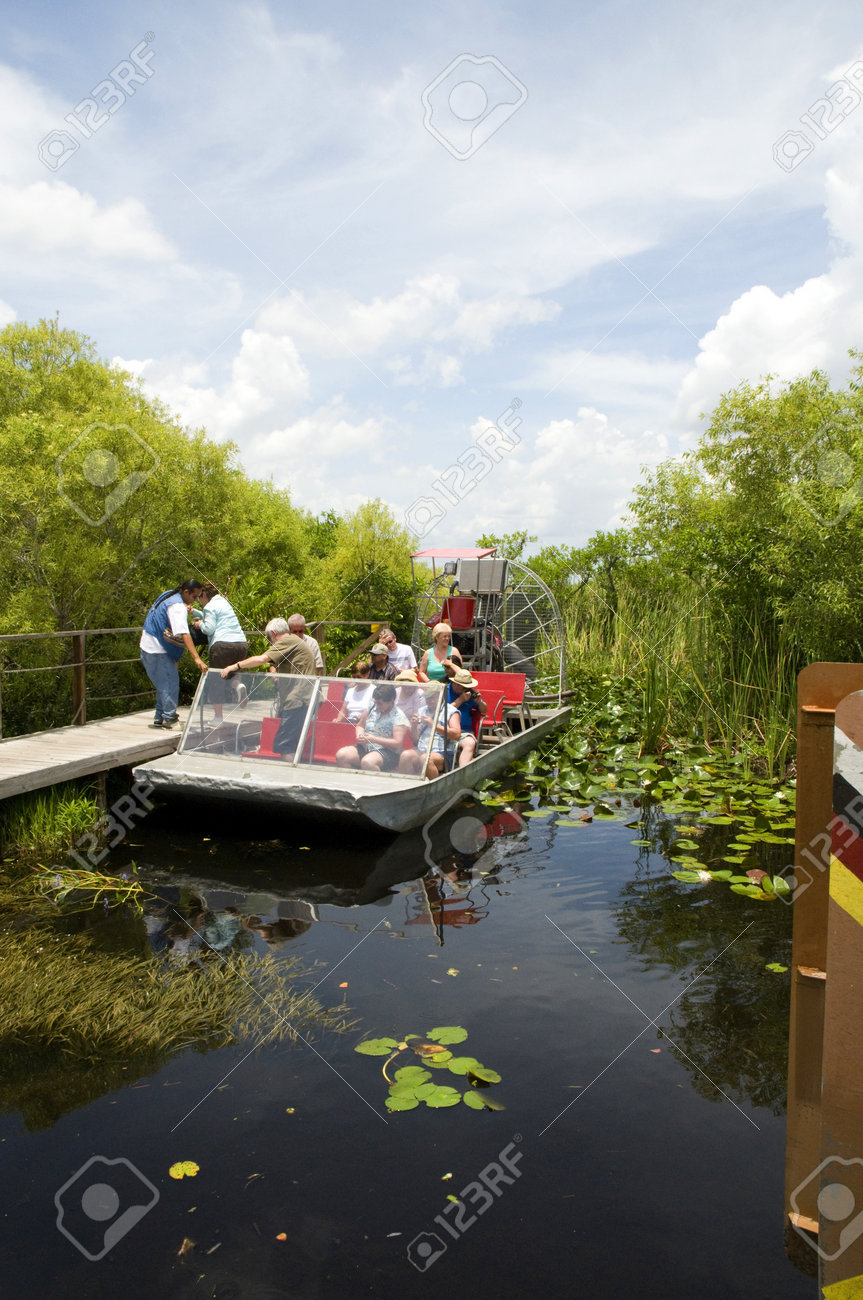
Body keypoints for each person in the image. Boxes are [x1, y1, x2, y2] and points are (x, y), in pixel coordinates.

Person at [221, 618, 316, 756]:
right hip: (303, 699)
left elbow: (261, 659)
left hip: (298, 700)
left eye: (269, 638)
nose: (270, 642)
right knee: (290, 745)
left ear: (273, 633)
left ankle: (289, 776)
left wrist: (235, 666)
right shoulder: (294, 642)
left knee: (283, 746)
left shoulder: (286, 640)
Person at [140, 579, 207, 728]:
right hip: (158, 648)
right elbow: (184, 633)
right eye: (194, 596)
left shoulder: (168, 595)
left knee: (162, 683)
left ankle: (160, 716)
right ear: (186, 592)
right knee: (170, 683)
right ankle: (170, 719)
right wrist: (197, 658)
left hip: (148, 645)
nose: (194, 600)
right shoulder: (177, 607)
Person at [192, 582, 249, 718]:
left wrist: (200, 625)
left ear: (204, 594)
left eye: (199, 597)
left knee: (216, 682)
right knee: (230, 674)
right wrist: (194, 612)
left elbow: (209, 628)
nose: (199, 600)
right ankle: (238, 686)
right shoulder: (223, 602)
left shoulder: (209, 607)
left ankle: (218, 717)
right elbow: (213, 616)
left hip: (222, 645)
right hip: (240, 645)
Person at [335, 682, 408, 771]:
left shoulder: (398, 716)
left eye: (380, 703)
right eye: (376, 702)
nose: (377, 705)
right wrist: (360, 735)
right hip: (367, 747)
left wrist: (374, 739)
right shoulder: (372, 707)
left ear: (391, 700)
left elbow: (397, 743)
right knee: (342, 755)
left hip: (388, 751)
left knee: (368, 762)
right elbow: (360, 726)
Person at [400, 684, 461, 779]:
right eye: (427, 697)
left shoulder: (451, 711)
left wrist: (433, 725)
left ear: (440, 695)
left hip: (442, 752)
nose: (429, 700)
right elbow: (414, 740)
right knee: (405, 756)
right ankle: (407, 787)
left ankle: (435, 791)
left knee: (425, 759)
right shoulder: (421, 711)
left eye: (432, 697)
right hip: (422, 749)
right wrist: (413, 725)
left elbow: (456, 735)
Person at [447, 667, 487, 767]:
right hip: (445, 730)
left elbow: (484, 710)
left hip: (464, 732)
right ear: (455, 684)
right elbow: (443, 711)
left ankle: (462, 770)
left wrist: (479, 702)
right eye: (464, 687)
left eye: (467, 687)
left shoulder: (470, 693)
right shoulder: (444, 691)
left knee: (470, 742)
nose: (466, 689)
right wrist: (461, 700)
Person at [336, 660, 374, 724]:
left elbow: (376, 713)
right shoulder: (350, 691)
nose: (356, 680)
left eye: (359, 677)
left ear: (367, 675)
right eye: (354, 677)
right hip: (349, 722)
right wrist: (338, 720)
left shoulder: (374, 690)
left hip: (366, 724)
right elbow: (343, 711)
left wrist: (363, 717)